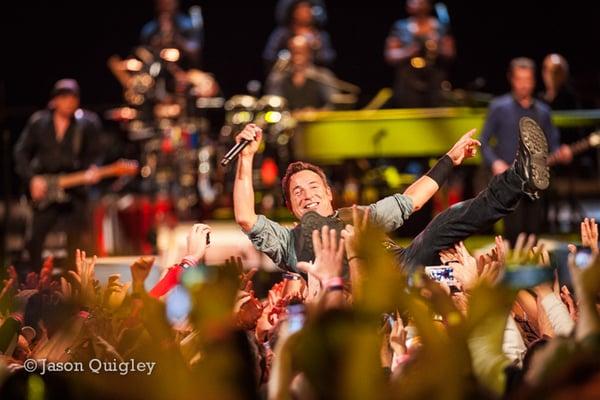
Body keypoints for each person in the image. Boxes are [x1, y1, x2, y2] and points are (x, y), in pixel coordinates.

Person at [232, 117, 551, 272]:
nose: (307, 195)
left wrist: (449, 160)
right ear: (289, 206)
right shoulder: (289, 242)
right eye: (297, 192)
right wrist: (246, 158)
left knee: (444, 225)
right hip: (364, 298)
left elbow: (410, 201)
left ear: (329, 192)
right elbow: (246, 217)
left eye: (313, 186)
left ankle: (520, 177)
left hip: (402, 268)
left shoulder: (354, 216)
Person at [13, 79, 103, 275]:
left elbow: (96, 153)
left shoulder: (86, 124)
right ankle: (35, 282)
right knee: (34, 239)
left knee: (78, 241)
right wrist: (32, 179)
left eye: (73, 98)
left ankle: (73, 285)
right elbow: (21, 152)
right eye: (64, 98)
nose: (69, 102)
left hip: (74, 188)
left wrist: (94, 169)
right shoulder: (39, 122)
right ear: (54, 101)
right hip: (46, 187)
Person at [479, 57, 572, 243]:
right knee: (513, 234)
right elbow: (483, 141)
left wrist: (562, 153)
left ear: (534, 81)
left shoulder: (543, 112)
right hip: (509, 181)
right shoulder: (499, 107)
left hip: (535, 182)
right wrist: (496, 163)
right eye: (519, 79)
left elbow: (552, 145)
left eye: (528, 80)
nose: (524, 85)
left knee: (533, 233)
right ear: (511, 80)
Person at [384, 0, 455, 108]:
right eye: (412, 1)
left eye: (419, 1)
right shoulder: (400, 27)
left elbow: (450, 53)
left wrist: (435, 48)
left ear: (428, 4)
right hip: (408, 82)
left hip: (434, 81)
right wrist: (409, 51)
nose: (415, 4)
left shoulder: (440, 26)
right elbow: (390, 55)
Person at [265, 35, 340, 111]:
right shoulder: (279, 77)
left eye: (302, 51)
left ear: (310, 53)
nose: (298, 56)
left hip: (316, 121)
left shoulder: (322, 76)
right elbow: (273, 102)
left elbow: (334, 103)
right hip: (287, 120)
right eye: (294, 51)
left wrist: (316, 113)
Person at [263, 0, 335, 70]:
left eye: (308, 9)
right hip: (287, 71)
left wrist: (316, 48)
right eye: (301, 9)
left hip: (314, 74)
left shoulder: (319, 35)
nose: (305, 13)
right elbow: (269, 56)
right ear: (293, 12)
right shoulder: (282, 34)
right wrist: (288, 55)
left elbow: (328, 58)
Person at [140, 0, 203, 69]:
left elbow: (195, 53)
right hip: (156, 70)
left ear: (176, 3)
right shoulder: (149, 29)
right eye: (162, 3)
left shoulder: (187, 24)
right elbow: (143, 54)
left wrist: (175, 37)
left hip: (186, 71)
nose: (166, 7)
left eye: (169, 3)